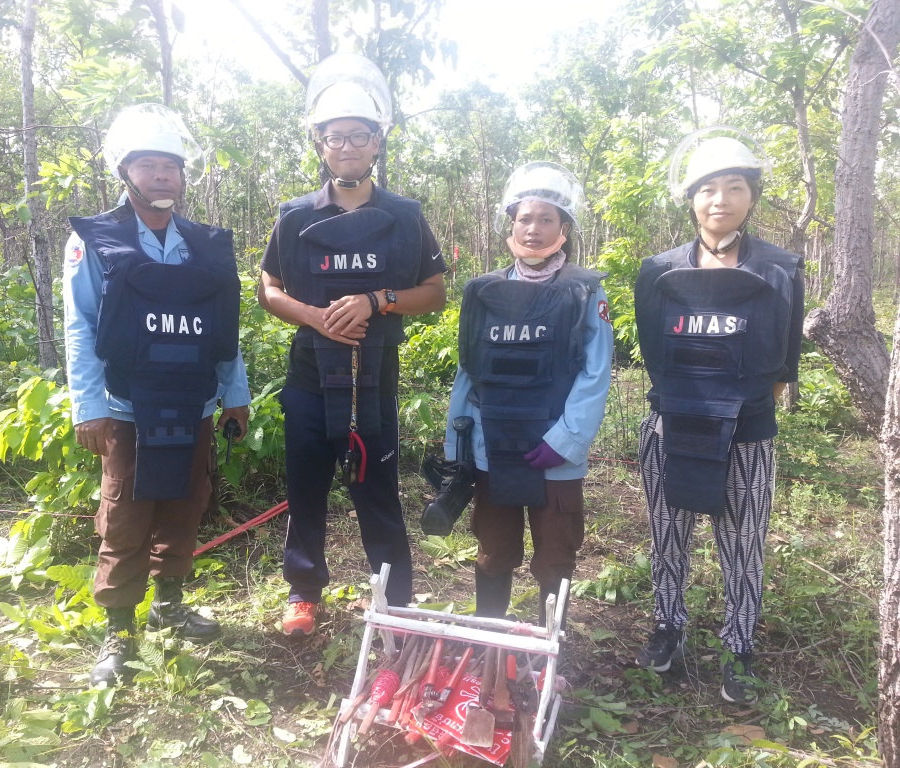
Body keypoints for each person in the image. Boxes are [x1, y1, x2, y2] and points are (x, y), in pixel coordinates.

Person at [258, 53, 447, 637]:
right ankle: (303, 592)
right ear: (319, 143)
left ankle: (396, 600)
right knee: (306, 485)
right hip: (311, 375)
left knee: (376, 486)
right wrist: (315, 316)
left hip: (374, 375)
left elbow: (435, 292)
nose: (346, 146)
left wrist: (378, 301)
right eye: (335, 136)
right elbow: (268, 288)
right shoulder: (294, 217)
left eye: (358, 135)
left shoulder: (405, 215)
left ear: (376, 142)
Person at [63, 103, 251, 685]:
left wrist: (234, 394)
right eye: (148, 164)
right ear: (126, 172)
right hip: (125, 406)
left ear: (183, 174)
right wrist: (88, 407)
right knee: (125, 512)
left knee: (185, 502)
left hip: (193, 400)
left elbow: (225, 326)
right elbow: (81, 323)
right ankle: (119, 631)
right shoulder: (96, 240)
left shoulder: (206, 245)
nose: (161, 175)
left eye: (170, 165)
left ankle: (170, 602)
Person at [633, 128, 804, 703]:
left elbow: (783, 362)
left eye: (734, 187)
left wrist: (741, 411)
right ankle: (668, 627)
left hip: (748, 431)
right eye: (708, 188)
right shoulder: (658, 271)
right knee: (668, 533)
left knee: (744, 540)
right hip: (670, 425)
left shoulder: (779, 268)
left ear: (751, 197)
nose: (720, 200)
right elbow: (655, 352)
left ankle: (739, 647)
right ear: (691, 199)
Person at [443, 162, 613, 626]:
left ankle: (546, 651)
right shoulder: (483, 292)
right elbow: (469, 372)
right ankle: (490, 642)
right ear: (511, 223)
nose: (533, 229)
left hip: (555, 452)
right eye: (524, 218)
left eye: (546, 219)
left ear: (563, 227)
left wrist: (566, 440)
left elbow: (596, 374)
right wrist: (455, 447)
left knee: (555, 556)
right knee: (494, 549)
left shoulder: (585, 291)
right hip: (491, 446)